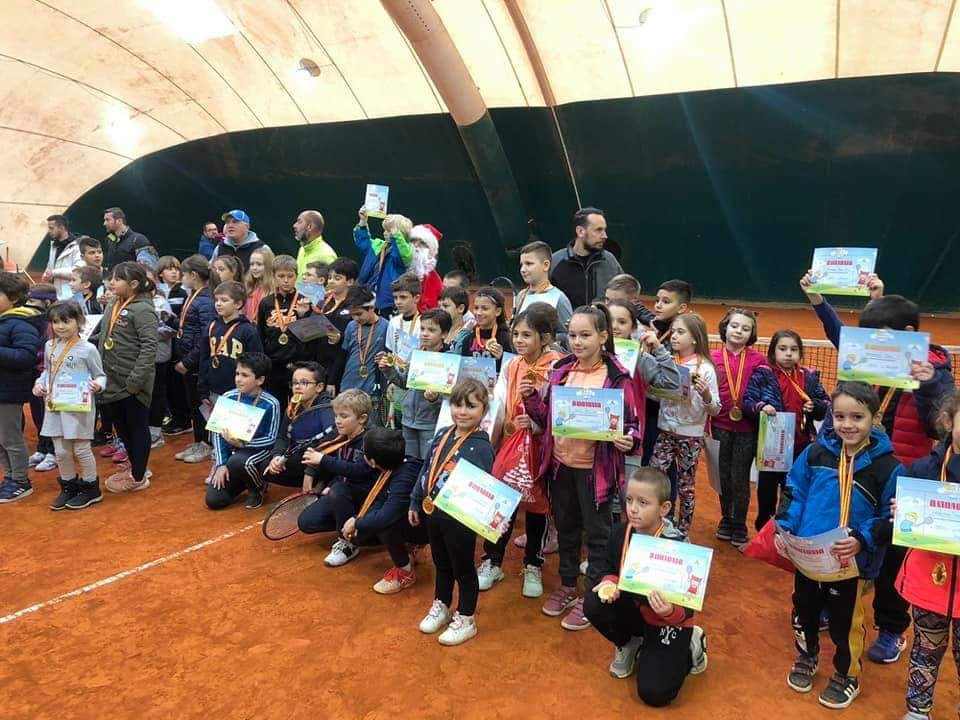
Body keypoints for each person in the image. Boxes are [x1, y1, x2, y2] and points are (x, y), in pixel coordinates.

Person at [801, 274, 953, 663]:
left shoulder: (936, 373)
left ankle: (890, 629)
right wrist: (819, 302)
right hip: (863, 470)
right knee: (853, 537)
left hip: (906, 481)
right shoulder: (872, 358)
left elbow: (939, 426)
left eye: (876, 336)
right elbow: (842, 339)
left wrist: (926, 383)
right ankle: (834, 599)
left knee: (893, 561)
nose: (868, 344)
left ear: (907, 335)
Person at [776, 382, 902, 710]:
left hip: (851, 562)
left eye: (857, 417)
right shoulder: (815, 453)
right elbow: (794, 491)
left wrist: (862, 539)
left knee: (846, 622)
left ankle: (847, 674)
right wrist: (785, 527)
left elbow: (890, 517)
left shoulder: (889, 467)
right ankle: (807, 656)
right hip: (808, 555)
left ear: (875, 418)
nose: (847, 424)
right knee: (804, 611)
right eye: (840, 416)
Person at [524, 305, 641, 631]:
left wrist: (628, 440)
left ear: (603, 336)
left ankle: (591, 597)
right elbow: (547, 417)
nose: (577, 342)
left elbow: (633, 425)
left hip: (595, 472)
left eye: (585, 335)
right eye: (573, 335)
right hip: (561, 466)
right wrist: (531, 398)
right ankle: (566, 585)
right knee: (566, 528)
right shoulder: (561, 369)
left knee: (598, 534)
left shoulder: (618, 377)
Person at [586, 468, 708, 706]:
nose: (633, 509)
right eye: (630, 500)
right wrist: (610, 582)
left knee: (655, 693)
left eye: (643, 503)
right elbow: (606, 565)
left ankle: (692, 647)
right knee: (594, 601)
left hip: (667, 619)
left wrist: (670, 612)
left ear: (664, 508)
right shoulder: (621, 532)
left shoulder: (680, 545)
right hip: (634, 610)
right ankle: (629, 642)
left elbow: (690, 602)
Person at [481, 303, 564, 598]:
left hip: (542, 448)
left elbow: (562, 410)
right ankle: (492, 561)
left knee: (537, 505)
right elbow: (501, 402)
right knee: (503, 502)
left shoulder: (558, 367)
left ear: (546, 337)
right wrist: (493, 436)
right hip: (511, 442)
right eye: (515, 334)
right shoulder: (512, 364)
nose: (518, 340)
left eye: (526, 335)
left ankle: (533, 564)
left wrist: (539, 425)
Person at [409, 378, 496, 646]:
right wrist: (415, 500)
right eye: (458, 405)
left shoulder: (482, 446)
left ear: (484, 410)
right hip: (433, 512)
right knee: (441, 562)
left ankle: (466, 618)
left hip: (460, 519)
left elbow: (485, 489)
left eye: (471, 406)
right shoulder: (443, 434)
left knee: (463, 568)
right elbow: (427, 468)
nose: (463, 412)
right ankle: (442, 604)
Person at [896, 390, 960, 720]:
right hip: (929, 581)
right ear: (949, 422)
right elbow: (906, 516)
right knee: (926, 647)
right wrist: (900, 512)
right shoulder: (923, 469)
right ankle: (918, 711)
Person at [743, 330, 830, 531]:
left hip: (800, 447)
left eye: (794, 349)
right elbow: (748, 402)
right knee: (766, 493)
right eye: (782, 349)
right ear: (773, 352)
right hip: (772, 446)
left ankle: (785, 531)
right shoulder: (763, 374)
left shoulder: (809, 377)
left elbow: (826, 404)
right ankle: (764, 529)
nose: (788, 353)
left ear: (800, 353)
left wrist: (815, 406)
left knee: (792, 492)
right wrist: (761, 407)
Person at [648, 313, 720, 533]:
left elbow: (715, 409)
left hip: (691, 437)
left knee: (686, 486)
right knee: (654, 479)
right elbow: (656, 396)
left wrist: (706, 395)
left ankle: (684, 531)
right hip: (665, 432)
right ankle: (655, 526)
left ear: (695, 338)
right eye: (673, 332)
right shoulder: (668, 362)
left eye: (681, 332)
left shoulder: (705, 369)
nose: (674, 337)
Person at [32, 301, 106, 510]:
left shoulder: (88, 349)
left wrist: (98, 386)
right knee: (61, 451)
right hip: (56, 405)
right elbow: (47, 372)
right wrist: (39, 384)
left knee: (81, 449)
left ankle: (91, 489)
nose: (61, 326)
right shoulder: (50, 346)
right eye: (56, 322)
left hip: (79, 407)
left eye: (66, 321)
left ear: (79, 321)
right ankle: (69, 487)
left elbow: (100, 375)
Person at [338, 427, 428, 595]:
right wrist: (358, 519)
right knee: (368, 527)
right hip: (418, 519)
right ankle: (412, 545)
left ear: (372, 462)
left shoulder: (403, 478)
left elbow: (386, 516)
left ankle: (405, 572)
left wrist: (357, 523)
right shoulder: (397, 465)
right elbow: (380, 501)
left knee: (385, 525)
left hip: (432, 528)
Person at [98, 262, 158, 494]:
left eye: (118, 278)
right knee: (122, 427)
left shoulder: (143, 310)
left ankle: (139, 476)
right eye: (112, 277)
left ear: (133, 284)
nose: (111, 282)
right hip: (112, 379)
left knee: (136, 427)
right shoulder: (113, 302)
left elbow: (149, 348)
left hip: (132, 382)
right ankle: (135, 466)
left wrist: (135, 381)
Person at [298, 389, 378, 565]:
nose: (337, 421)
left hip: (368, 497)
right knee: (306, 522)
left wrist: (323, 460)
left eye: (344, 416)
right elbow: (340, 468)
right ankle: (360, 529)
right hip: (344, 493)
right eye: (336, 415)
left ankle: (348, 542)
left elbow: (360, 470)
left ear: (362, 418)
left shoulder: (371, 440)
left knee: (339, 490)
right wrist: (330, 484)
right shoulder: (341, 436)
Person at [711, 308, 767, 550]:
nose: (739, 331)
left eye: (745, 328)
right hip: (719, 426)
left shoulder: (759, 360)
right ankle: (726, 517)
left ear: (751, 334)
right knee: (723, 474)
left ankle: (739, 523)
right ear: (725, 327)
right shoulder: (711, 357)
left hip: (747, 428)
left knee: (740, 476)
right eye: (734, 326)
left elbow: (766, 390)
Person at [204, 352, 281, 510]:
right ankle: (243, 480)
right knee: (214, 500)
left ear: (260, 380)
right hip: (233, 456)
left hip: (258, 452)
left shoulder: (271, 403)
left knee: (239, 461)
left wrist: (243, 443)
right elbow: (217, 433)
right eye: (237, 374)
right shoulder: (228, 397)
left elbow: (271, 439)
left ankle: (258, 487)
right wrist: (221, 464)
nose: (238, 379)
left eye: (245, 375)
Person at [379, 308, 449, 459]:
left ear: (444, 334)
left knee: (426, 462)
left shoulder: (449, 360)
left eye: (431, 330)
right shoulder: (416, 353)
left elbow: (451, 397)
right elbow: (405, 382)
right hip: (408, 420)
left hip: (431, 423)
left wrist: (435, 398)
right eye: (422, 329)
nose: (424, 333)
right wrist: (388, 370)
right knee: (409, 462)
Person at [0, 273, 43, 503]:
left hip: (8, 391)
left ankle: (20, 481)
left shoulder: (21, 323)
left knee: (10, 438)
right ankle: (9, 478)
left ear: (14, 298)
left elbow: (26, 356)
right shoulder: (4, 320)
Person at [641, 279, 694, 463]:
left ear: (681, 308)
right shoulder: (656, 329)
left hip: (669, 410)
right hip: (649, 403)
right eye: (657, 300)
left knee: (663, 461)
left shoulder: (681, 338)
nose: (658, 305)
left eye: (666, 301)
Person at [262, 362, 335, 489]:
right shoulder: (293, 406)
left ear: (319, 387)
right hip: (295, 456)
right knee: (266, 464)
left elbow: (329, 443)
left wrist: (310, 471)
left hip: (316, 462)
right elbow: (282, 437)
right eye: (295, 383)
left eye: (304, 383)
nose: (297, 387)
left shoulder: (327, 409)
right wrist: (277, 456)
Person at [173, 255, 217, 463]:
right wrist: (171, 321)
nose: (181, 278)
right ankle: (199, 440)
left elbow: (206, 336)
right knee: (193, 404)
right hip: (190, 360)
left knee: (201, 404)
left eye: (183, 274)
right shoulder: (194, 296)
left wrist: (188, 361)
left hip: (197, 363)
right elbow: (189, 327)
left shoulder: (205, 300)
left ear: (193, 275)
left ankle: (207, 444)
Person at [197, 281, 263, 409]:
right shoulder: (212, 326)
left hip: (239, 392)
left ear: (238, 304)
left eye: (224, 300)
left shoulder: (248, 331)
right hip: (213, 390)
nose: (218, 303)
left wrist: (250, 390)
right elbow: (204, 358)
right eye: (216, 300)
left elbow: (256, 364)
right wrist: (202, 388)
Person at [257, 255, 312, 408]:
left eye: (290, 276)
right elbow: (261, 333)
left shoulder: (304, 301)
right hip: (273, 364)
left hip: (297, 363)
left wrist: (302, 316)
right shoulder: (266, 303)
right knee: (273, 403)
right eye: (281, 276)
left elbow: (310, 338)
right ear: (273, 276)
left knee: (296, 405)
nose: (286, 280)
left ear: (296, 276)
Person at [550, 207, 623, 309]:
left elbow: (627, 298)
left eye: (604, 230)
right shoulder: (555, 261)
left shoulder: (610, 261)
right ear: (580, 231)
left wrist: (646, 317)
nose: (605, 236)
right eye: (599, 230)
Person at [355, 208, 413, 314]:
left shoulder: (405, 251)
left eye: (389, 230)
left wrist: (395, 232)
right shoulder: (379, 245)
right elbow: (363, 242)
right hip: (368, 297)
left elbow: (400, 254)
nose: (385, 233)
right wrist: (363, 222)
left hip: (388, 303)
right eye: (385, 229)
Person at [514, 241, 573, 345]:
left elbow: (570, 335)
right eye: (521, 264)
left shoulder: (559, 298)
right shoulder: (521, 295)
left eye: (529, 264)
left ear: (546, 265)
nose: (523, 269)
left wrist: (543, 337)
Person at [314, 257, 357, 396]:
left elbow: (352, 340)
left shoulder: (355, 305)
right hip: (320, 362)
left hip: (341, 365)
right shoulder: (322, 301)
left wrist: (341, 337)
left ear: (350, 282)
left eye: (337, 278)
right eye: (330, 277)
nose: (331, 281)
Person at [339, 286, 389, 403]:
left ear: (371, 308)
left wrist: (386, 356)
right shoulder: (351, 326)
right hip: (348, 384)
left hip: (372, 389)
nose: (355, 318)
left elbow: (391, 355)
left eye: (359, 314)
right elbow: (344, 355)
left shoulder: (386, 327)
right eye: (352, 314)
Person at [462, 287, 512, 370]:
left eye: (485, 308)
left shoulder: (506, 339)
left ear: (498, 311)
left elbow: (512, 370)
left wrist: (502, 357)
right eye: (476, 308)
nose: (479, 313)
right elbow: (463, 368)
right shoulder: (467, 339)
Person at [42, 214, 83, 300]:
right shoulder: (54, 245)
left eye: (51, 228)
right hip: (56, 293)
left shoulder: (78, 246)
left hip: (72, 295)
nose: (49, 231)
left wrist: (54, 273)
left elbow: (78, 271)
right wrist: (46, 275)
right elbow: (50, 265)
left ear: (61, 228)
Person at [293, 209, 336, 279]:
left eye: (299, 222)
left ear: (309, 227)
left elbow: (332, 284)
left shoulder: (326, 255)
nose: (294, 225)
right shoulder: (302, 249)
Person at [409, 224, 443, 311]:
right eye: (413, 240)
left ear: (431, 251)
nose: (416, 245)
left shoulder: (435, 281)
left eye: (422, 243)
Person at [242, 246, 275, 322]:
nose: (254, 268)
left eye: (259, 264)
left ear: (268, 266)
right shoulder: (248, 286)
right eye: (252, 264)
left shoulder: (275, 289)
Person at [439, 286, 471, 354]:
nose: (441, 309)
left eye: (445, 306)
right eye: (439, 306)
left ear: (461, 308)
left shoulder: (468, 334)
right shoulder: (438, 330)